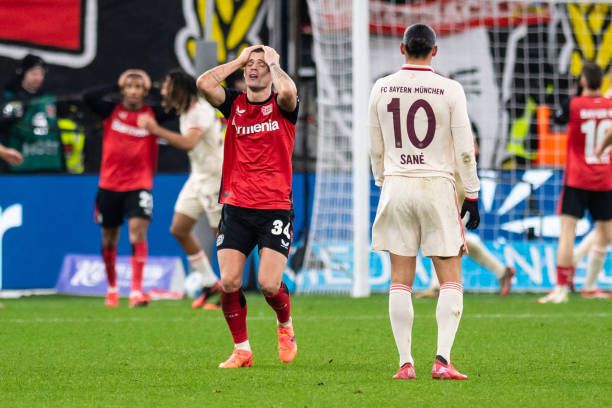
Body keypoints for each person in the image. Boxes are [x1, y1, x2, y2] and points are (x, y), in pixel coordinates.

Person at [369, 24, 480, 380]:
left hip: (396, 185)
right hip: (436, 187)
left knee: (400, 279)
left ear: (402, 48)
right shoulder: (450, 89)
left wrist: (383, 180)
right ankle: (442, 360)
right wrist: (472, 192)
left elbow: (375, 145)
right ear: (435, 51)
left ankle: (405, 363)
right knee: (450, 278)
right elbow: (465, 149)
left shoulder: (381, 87)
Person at [197, 45, 299, 368]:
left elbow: (288, 91)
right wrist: (240, 60)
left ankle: (285, 324)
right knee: (229, 282)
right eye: (250, 65)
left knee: (269, 285)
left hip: (275, 208)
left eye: (261, 65)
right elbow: (204, 83)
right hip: (237, 207)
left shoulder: (283, 106)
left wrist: (274, 63)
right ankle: (242, 350)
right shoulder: (234, 105)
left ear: (272, 70)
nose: (254, 68)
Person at [83, 69, 174, 308]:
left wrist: (152, 87)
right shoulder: (110, 111)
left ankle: (135, 290)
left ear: (144, 92)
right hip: (109, 184)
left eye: (138, 87)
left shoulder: (152, 115)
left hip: (139, 184)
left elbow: (175, 105)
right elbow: (88, 96)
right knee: (109, 238)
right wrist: (116, 82)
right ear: (123, 90)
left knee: (137, 232)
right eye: (129, 87)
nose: (133, 91)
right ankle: (112, 288)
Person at [137, 69, 223, 309]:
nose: (163, 91)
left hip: (216, 179)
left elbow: (189, 142)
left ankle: (230, 291)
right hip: (198, 178)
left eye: (167, 86)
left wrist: (155, 130)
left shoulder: (201, 111)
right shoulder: (186, 111)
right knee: (179, 228)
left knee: (223, 239)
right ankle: (210, 282)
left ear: (179, 90)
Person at [538, 62, 612, 303]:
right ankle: (588, 285)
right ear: (602, 81)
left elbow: (557, 118)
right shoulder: (610, 105)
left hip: (577, 178)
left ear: (582, 81)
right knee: (606, 233)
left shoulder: (574, 104)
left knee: (567, 232)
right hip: (604, 178)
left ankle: (561, 288)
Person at [415, 170, 515, 299]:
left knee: (442, 239)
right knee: (454, 241)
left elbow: (464, 163)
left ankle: (437, 287)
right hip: (452, 193)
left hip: (454, 195)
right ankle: (502, 271)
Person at [0, 54, 63, 173]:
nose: (38, 78)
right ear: (23, 73)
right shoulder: (10, 99)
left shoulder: (49, 99)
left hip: (50, 167)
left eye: (41, 74)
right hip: (19, 168)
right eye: (34, 73)